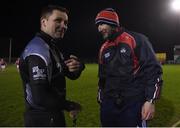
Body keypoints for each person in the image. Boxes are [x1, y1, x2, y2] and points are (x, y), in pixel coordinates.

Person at [95, 8, 163, 127]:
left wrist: (150, 101)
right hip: (109, 105)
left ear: (112, 23)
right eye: (98, 25)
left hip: (133, 104)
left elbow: (153, 71)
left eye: (102, 24)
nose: (99, 29)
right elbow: (102, 78)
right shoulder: (103, 48)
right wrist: (102, 99)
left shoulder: (137, 39)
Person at [19, 5, 85, 126]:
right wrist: (69, 105)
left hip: (52, 115)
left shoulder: (51, 47)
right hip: (41, 119)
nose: (63, 26)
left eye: (66, 22)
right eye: (58, 20)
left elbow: (69, 74)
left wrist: (80, 66)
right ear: (44, 22)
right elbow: (40, 97)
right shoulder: (38, 50)